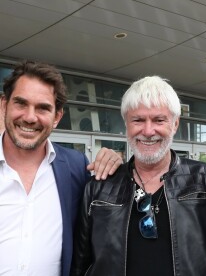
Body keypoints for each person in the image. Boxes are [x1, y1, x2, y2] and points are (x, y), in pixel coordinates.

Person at [71, 75, 206, 276]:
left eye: (159, 120)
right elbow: (80, 264)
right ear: (126, 125)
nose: (148, 131)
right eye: (138, 120)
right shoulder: (99, 187)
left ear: (175, 124)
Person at [0, 60, 122, 276]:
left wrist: (115, 164)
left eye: (43, 108)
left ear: (57, 117)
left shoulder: (76, 167)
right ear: (4, 105)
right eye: (21, 103)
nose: (30, 117)